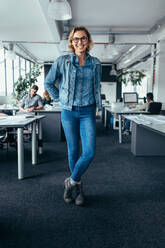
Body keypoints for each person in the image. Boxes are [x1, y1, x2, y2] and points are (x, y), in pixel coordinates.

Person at [45, 25, 102, 206]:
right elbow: (48, 83)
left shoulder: (96, 63)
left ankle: (71, 181)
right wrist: (60, 99)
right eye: (76, 39)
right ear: (72, 42)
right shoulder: (62, 61)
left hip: (87, 111)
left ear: (88, 41)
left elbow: (96, 87)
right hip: (68, 112)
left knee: (90, 151)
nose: (80, 42)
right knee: (73, 151)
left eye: (83, 38)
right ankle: (77, 189)